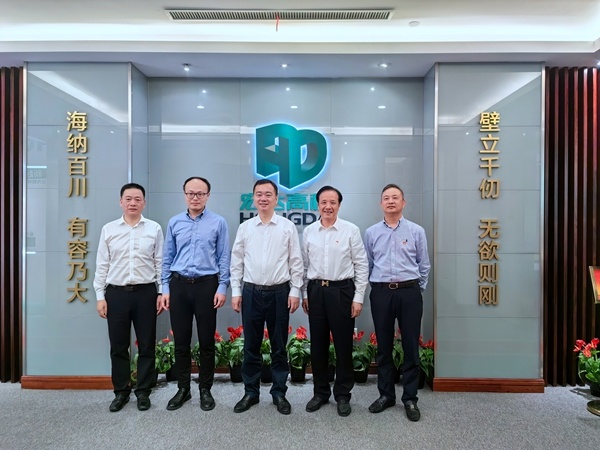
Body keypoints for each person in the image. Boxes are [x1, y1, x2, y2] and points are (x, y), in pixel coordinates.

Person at [230, 179, 303, 415]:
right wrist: (236, 291)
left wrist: (295, 290)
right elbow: (236, 261)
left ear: (276, 199)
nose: (263, 198)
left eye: (268, 194)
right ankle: (250, 392)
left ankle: (279, 392)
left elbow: (296, 261)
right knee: (250, 345)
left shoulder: (287, 227)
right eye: (259, 194)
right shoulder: (245, 228)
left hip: (279, 292)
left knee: (279, 346)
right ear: (253, 198)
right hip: (251, 292)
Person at [161, 176, 230, 411]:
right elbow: (167, 258)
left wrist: (222, 287)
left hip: (206, 286)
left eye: (200, 193)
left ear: (208, 196)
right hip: (179, 286)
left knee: (206, 341)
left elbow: (223, 257)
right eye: (191, 193)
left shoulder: (218, 222)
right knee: (181, 342)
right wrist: (165, 288)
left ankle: (205, 389)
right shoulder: (174, 222)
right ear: (184, 195)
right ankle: (183, 389)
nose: (195, 197)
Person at [94, 183, 164, 412]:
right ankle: (121, 392)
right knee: (118, 346)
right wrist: (100, 296)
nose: (133, 203)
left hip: (146, 293)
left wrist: (161, 292)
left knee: (146, 345)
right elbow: (102, 264)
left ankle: (143, 392)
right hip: (116, 294)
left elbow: (160, 263)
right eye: (128, 198)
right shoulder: (109, 229)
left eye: (137, 199)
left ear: (144, 202)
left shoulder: (154, 228)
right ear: (121, 202)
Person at [363, 183, 430, 422]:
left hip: (409, 292)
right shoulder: (371, 233)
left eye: (395, 197)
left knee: (411, 345)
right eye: (386, 198)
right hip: (381, 292)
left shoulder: (416, 231)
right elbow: (368, 264)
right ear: (381, 203)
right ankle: (386, 395)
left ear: (403, 202)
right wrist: (377, 289)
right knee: (383, 346)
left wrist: (415, 290)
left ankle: (410, 398)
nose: (391, 201)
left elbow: (424, 264)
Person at [301, 185, 368, 417]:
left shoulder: (350, 230)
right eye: (323, 202)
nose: (328, 206)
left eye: (333, 202)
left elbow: (361, 265)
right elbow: (304, 266)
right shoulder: (309, 231)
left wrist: (358, 297)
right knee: (317, 345)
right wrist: (305, 294)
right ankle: (320, 392)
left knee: (343, 345)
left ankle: (343, 394)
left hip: (342, 291)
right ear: (317, 205)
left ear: (339, 205)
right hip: (316, 291)